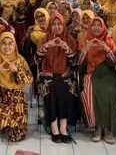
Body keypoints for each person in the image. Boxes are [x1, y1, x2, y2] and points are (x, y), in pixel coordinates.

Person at [36, 13, 78, 144]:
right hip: (47, 75)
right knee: (51, 87)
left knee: (66, 87)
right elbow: (37, 60)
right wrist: (46, 46)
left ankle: (63, 128)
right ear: (50, 26)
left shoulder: (70, 40)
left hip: (65, 75)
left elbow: (75, 63)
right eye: (53, 24)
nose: (56, 27)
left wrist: (67, 49)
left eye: (59, 24)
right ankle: (54, 128)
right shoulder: (44, 39)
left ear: (63, 25)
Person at [0, 33, 33, 142]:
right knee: (1, 126)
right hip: (1, 95)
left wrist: (18, 70)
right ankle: (4, 124)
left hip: (17, 95)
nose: (7, 47)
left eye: (10, 44)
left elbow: (29, 80)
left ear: (14, 45)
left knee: (17, 136)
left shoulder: (20, 59)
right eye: (4, 44)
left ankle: (13, 125)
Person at [79, 17, 116, 143]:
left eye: (99, 25)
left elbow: (114, 63)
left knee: (110, 92)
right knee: (89, 90)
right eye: (93, 25)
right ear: (89, 27)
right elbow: (79, 64)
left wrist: (106, 49)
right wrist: (85, 49)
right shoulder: (84, 42)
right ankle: (97, 127)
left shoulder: (109, 42)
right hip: (91, 73)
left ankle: (108, 128)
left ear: (103, 27)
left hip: (108, 74)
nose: (96, 27)